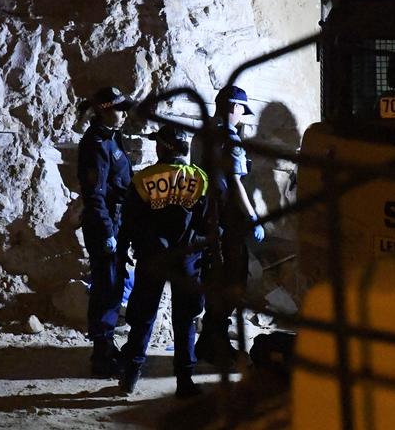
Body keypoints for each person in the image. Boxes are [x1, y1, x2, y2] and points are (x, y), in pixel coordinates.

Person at [117, 124, 211, 398]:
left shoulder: (143, 179)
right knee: (184, 321)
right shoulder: (200, 179)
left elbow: (130, 222)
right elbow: (209, 225)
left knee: (144, 317)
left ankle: (130, 377)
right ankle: (185, 382)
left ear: (162, 147)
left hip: (152, 257)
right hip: (187, 260)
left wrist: (125, 251)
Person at [194, 85, 265, 364]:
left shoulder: (201, 135)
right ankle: (216, 345)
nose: (242, 117)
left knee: (214, 280)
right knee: (232, 283)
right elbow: (235, 183)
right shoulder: (229, 138)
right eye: (241, 111)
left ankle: (207, 343)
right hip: (228, 220)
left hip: (206, 219)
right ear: (234, 107)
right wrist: (253, 217)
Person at [77, 86, 134, 377]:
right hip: (106, 224)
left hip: (116, 222)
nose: (124, 114)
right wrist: (107, 231)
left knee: (112, 286)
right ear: (104, 110)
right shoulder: (97, 143)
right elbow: (95, 193)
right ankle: (101, 355)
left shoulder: (112, 138)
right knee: (106, 287)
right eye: (119, 109)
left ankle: (107, 347)